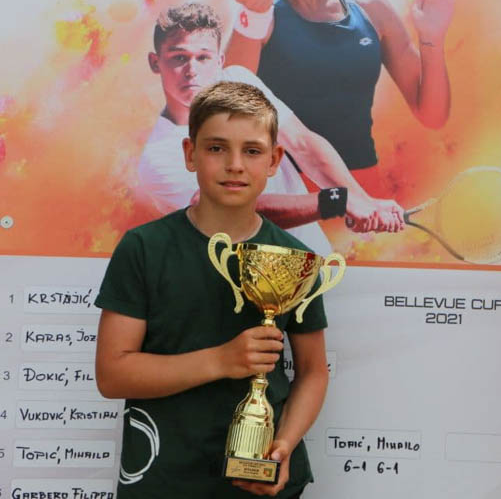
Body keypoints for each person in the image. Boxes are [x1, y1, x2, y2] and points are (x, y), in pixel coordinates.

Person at [96, 80, 329, 497]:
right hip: (163, 478)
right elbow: (113, 375)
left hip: (261, 483)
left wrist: (284, 447)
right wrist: (222, 360)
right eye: (216, 148)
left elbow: (312, 373)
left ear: (275, 160)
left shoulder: (297, 259)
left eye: (252, 150)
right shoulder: (144, 248)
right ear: (190, 154)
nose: (235, 164)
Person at [225, 0, 454, 192]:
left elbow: (432, 115)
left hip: (365, 199)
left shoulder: (374, 10)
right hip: (287, 203)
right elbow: (227, 110)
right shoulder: (256, 16)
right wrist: (250, 16)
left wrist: (431, 38)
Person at [137, 2, 405, 253]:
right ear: (154, 62)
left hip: (316, 270)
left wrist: (362, 202)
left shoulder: (238, 81)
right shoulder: (158, 159)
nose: (191, 70)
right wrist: (338, 201)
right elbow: (231, 211)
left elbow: (304, 145)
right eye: (179, 58)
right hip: (238, 294)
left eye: (203, 58)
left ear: (219, 60)